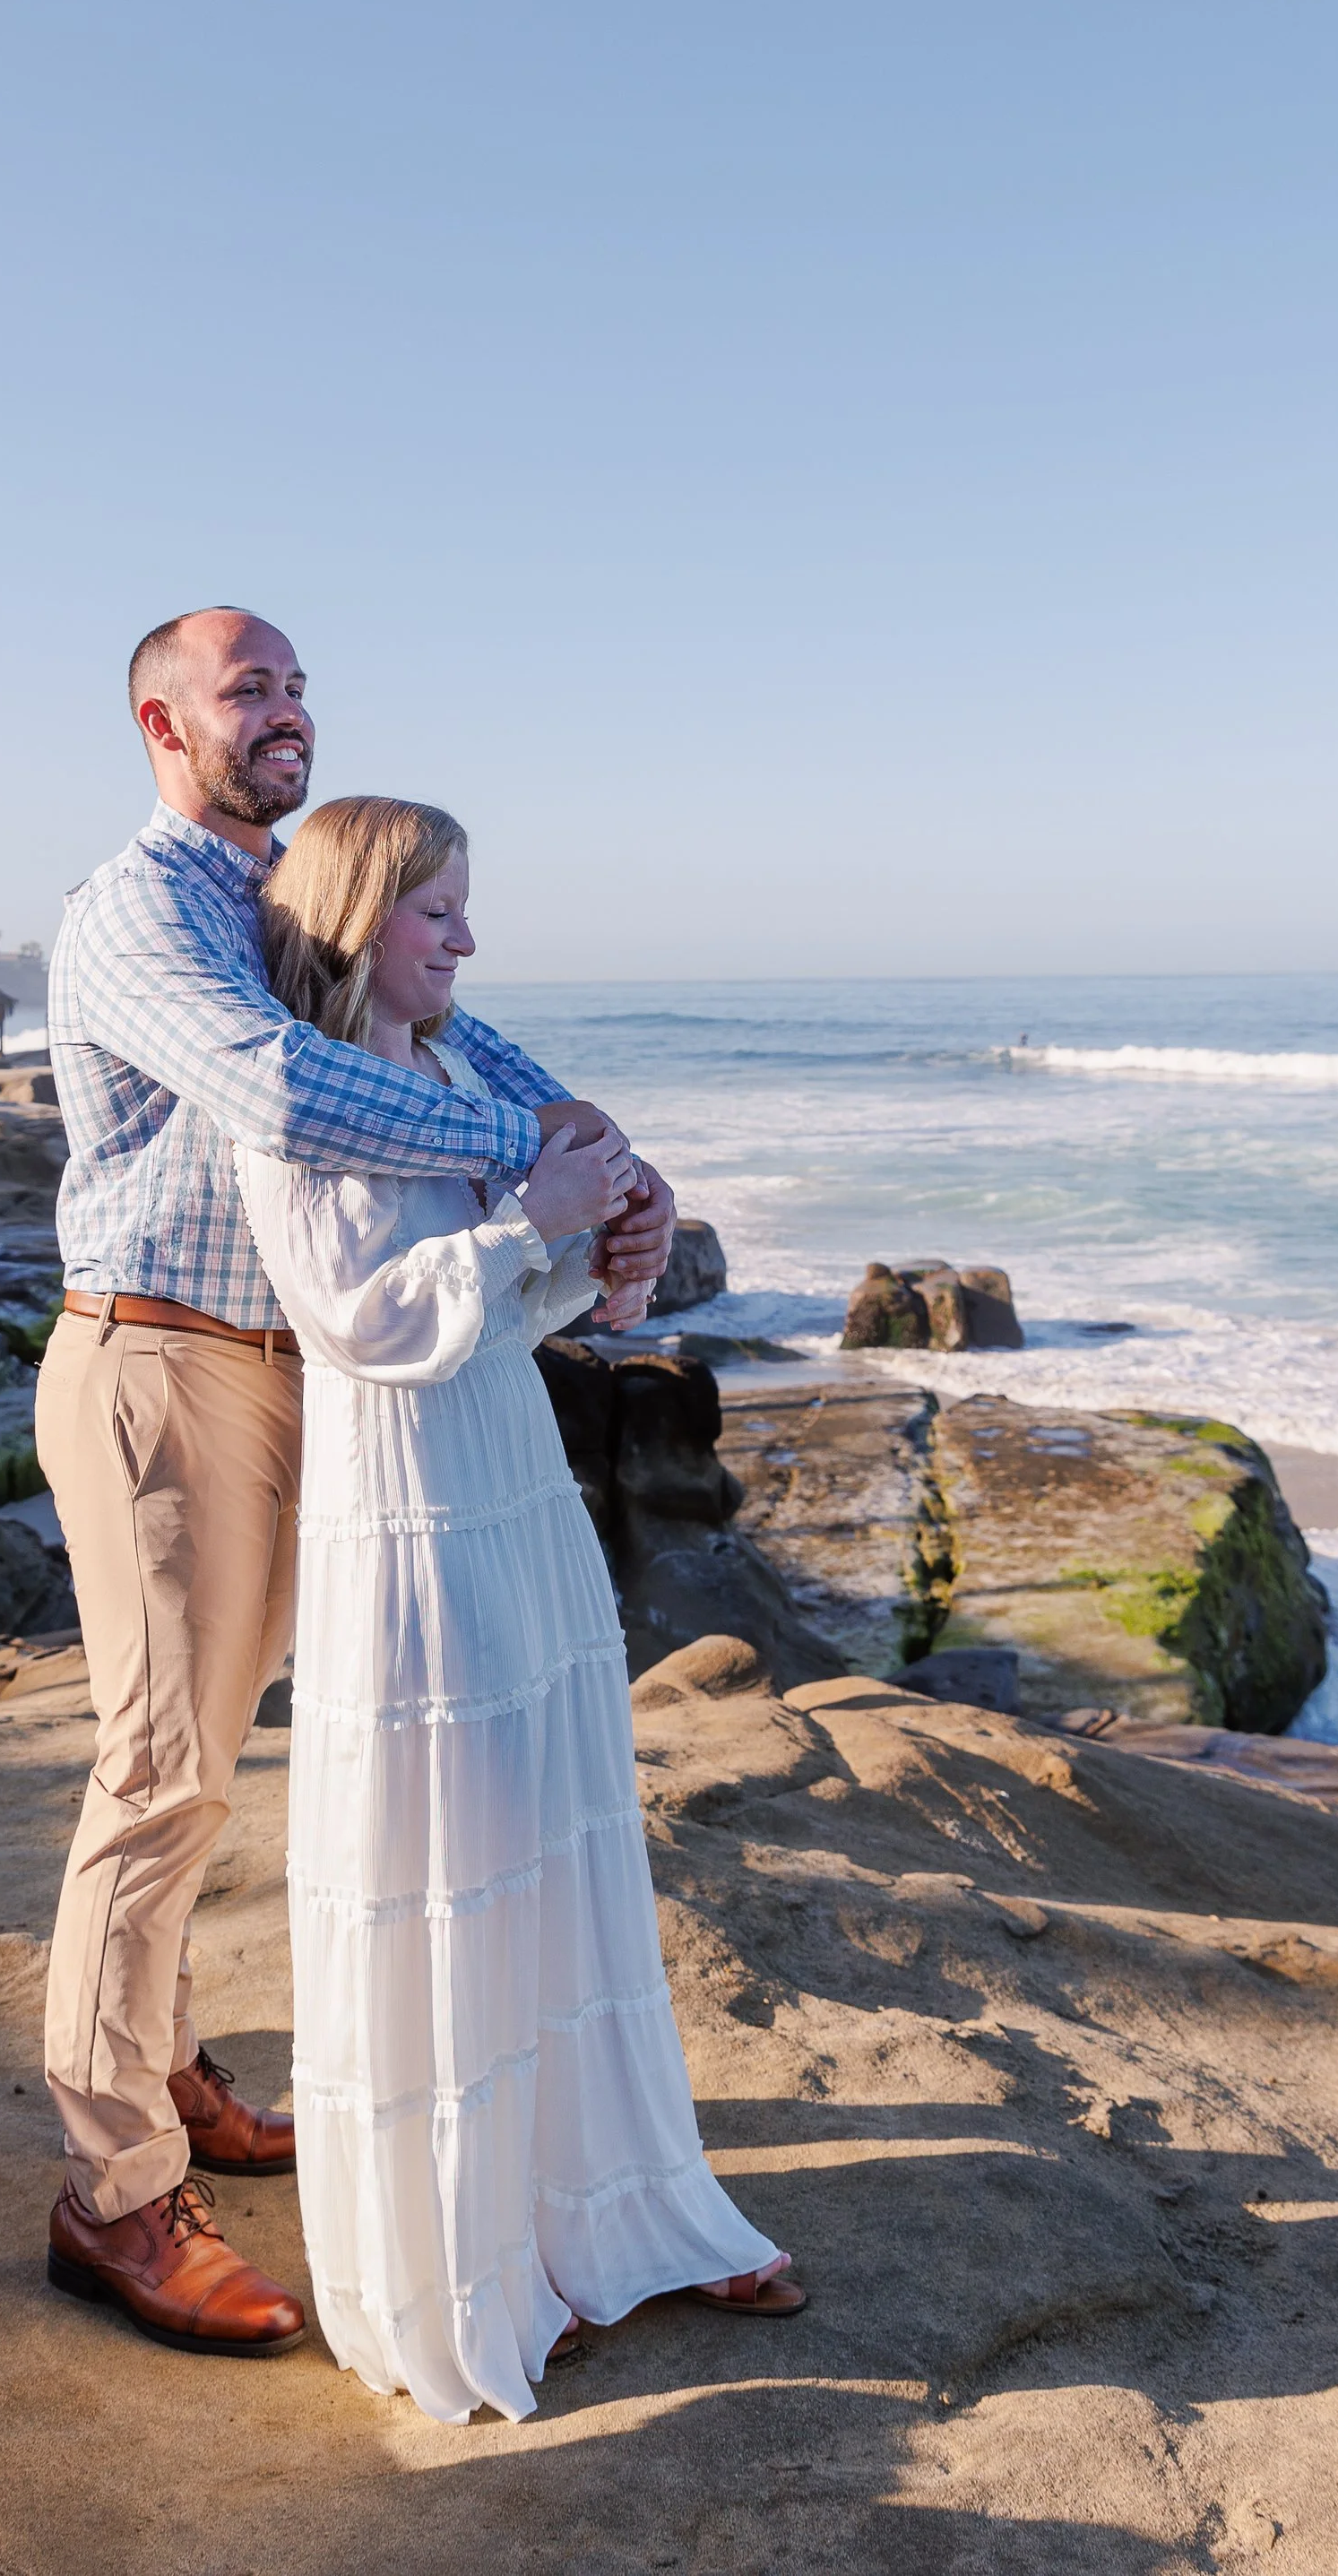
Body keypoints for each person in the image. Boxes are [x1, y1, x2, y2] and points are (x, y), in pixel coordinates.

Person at [36, 605, 677, 2356]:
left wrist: (612, 1158)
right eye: (249, 688)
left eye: (300, 684)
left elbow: (460, 1043)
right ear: (164, 727)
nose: (287, 710)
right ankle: (112, 2196)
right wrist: (523, 1170)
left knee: (293, 1751)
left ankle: (170, 2073)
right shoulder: (142, 909)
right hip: (167, 1361)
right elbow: (284, 1085)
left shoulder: (299, 899)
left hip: (320, 1376)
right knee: (163, 1776)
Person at [235, 793, 806, 2422]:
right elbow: (357, 1321)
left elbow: (504, 1308)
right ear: (360, 922)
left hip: (508, 1477)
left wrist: (599, 1261)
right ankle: (461, 2264)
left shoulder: (449, 1080)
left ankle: (607, 2214)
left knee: (557, 1841)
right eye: (439, 916)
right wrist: (527, 1226)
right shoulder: (305, 1107)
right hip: (406, 1506)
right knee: (453, 1862)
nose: (469, 944)